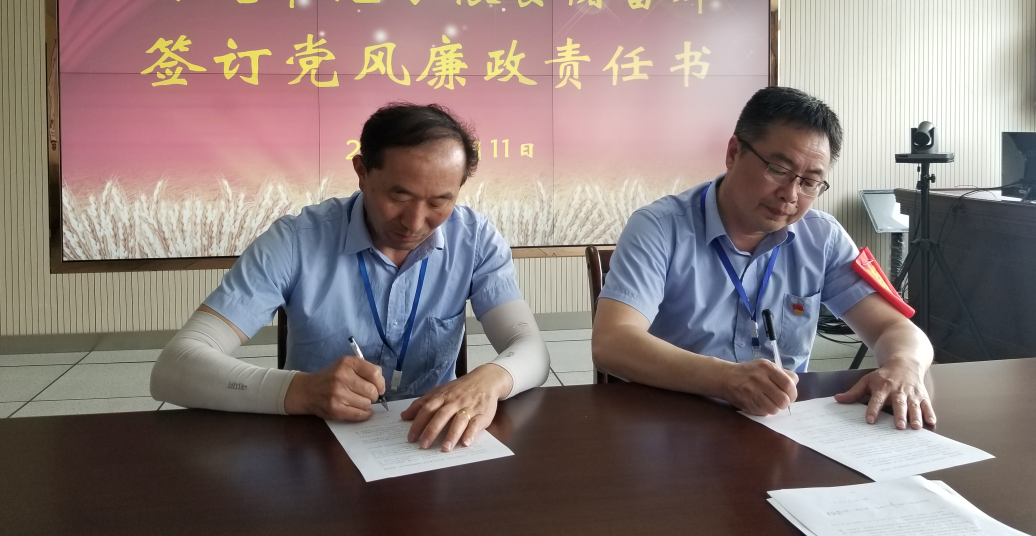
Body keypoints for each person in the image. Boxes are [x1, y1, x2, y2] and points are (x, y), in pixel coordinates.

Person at [151, 103, 550, 452]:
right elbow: (174, 368)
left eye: (439, 201)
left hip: (429, 442)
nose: (414, 223)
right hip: (315, 443)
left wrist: (491, 379)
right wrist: (299, 390)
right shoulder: (296, 241)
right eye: (398, 196)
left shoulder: (475, 240)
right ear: (361, 172)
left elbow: (530, 348)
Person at [592, 86, 935, 430]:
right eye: (778, 169)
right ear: (733, 152)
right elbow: (612, 341)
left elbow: (895, 328)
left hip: (782, 427)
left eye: (810, 183)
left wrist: (905, 365)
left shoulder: (822, 237)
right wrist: (724, 379)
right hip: (673, 424)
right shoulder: (660, 227)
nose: (790, 194)